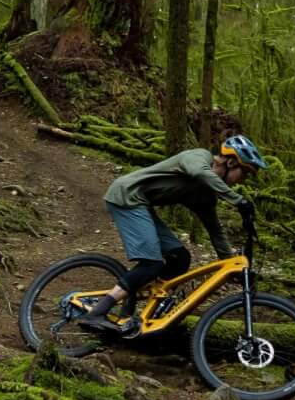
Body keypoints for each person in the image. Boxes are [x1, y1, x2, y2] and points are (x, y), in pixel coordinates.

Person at [79, 134, 269, 334]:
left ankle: (136, 306)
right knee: (152, 264)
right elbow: (200, 172)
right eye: (244, 173)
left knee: (180, 258)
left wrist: (232, 265)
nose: (244, 181)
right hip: (127, 196)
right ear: (230, 162)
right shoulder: (199, 157)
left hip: (142, 204)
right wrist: (238, 201)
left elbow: (215, 232)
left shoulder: (205, 195)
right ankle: (97, 312)